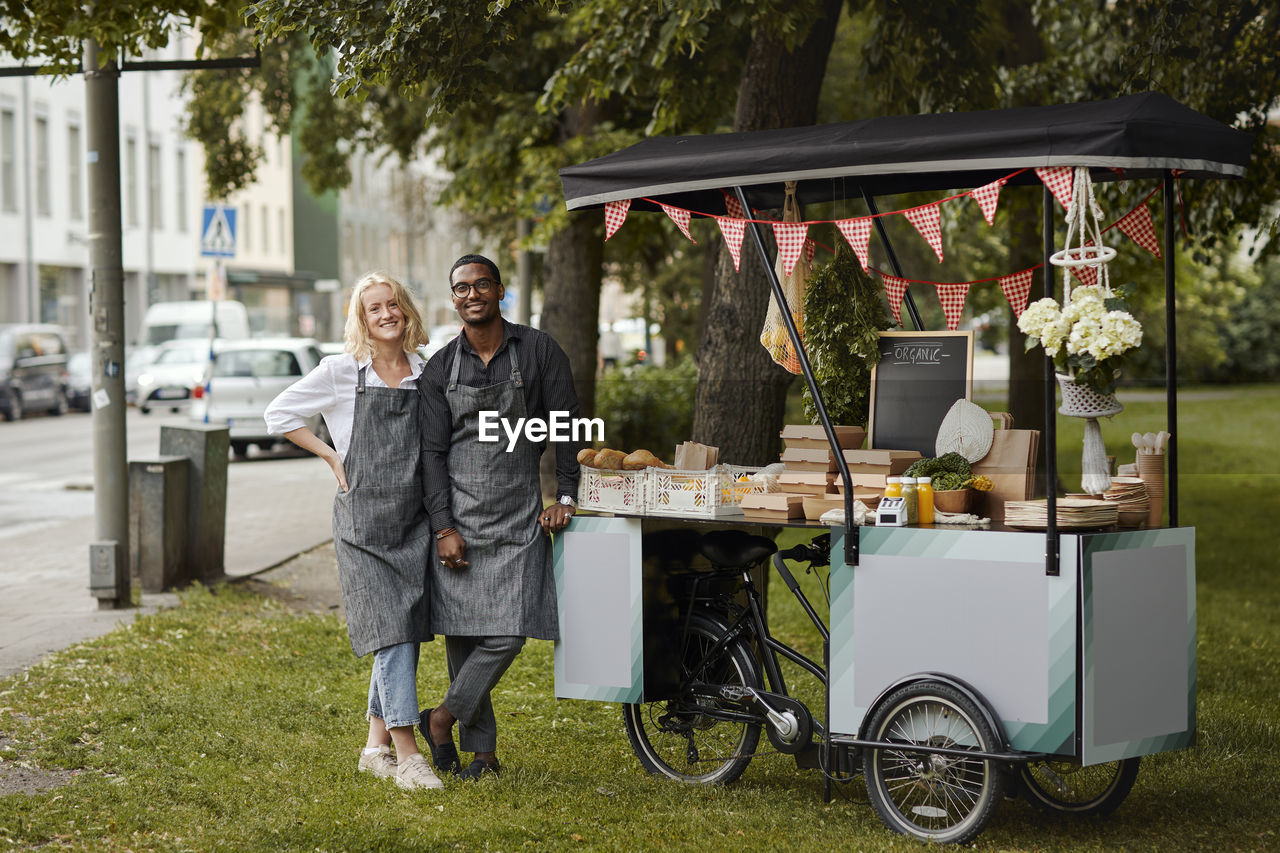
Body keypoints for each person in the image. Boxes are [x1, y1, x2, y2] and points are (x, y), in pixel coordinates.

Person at [264, 271, 443, 792]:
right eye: (374, 308)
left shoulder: (424, 372)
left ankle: (374, 746)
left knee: (402, 632)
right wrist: (329, 453)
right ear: (360, 319)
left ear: (406, 310)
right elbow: (278, 414)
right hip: (363, 525)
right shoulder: (342, 372)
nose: (386, 314)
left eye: (393, 304)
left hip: (412, 522)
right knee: (391, 632)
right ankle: (409, 754)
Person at [418, 253, 581, 780]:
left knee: (507, 634)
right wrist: (444, 527)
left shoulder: (537, 351)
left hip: (518, 518)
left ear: (499, 290)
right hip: (460, 520)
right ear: (454, 298)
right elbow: (431, 454)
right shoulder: (441, 367)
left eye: (480, 284)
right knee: (464, 637)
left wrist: (567, 496)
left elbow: (567, 426)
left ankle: (441, 720)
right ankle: (482, 756)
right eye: (461, 288)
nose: (471, 294)